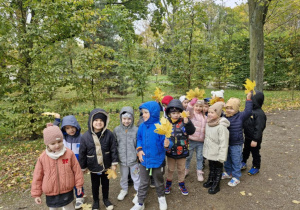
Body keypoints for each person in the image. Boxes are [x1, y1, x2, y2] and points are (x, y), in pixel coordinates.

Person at [31, 126, 84, 210]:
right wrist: (37, 194)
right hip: (50, 191)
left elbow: (77, 171)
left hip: (67, 189)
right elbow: (37, 176)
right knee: (53, 208)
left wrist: (79, 185)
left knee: (68, 207)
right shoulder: (43, 157)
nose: (57, 145)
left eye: (59, 141)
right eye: (53, 143)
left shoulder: (69, 154)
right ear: (47, 144)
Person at [131, 101, 167, 210]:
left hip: (157, 159)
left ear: (154, 112)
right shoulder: (142, 126)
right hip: (144, 159)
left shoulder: (160, 127)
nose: (144, 115)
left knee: (158, 181)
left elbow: (166, 142)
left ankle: (161, 198)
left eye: (146, 112)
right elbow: (139, 139)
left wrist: (167, 144)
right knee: (143, 182)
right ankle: (140, 202)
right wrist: (139, 149)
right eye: (142, 113)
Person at [79, 109, 118, 210]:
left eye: (101, 120)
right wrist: (83, 167)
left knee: (106, 184)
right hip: (93, 165)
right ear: (91, 121)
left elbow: (113, 149)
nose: (98, 122)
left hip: (106, 165)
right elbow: (82, 153)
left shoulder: (109, 134)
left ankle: (106, 199)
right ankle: (96, 201)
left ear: (105, 122)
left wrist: (114, 163)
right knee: (95, 185)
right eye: (96, 120)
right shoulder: (85, 137)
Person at [52, 114, 85, 209]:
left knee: (78, 182)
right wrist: (57, 119)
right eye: (67, 128)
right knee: (66, 182)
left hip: (77, 165)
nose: (71, 130)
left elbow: (85, 152)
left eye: (72, 127)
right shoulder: (62, 138)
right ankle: (67, 198)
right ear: (64, 129)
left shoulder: (81, 138)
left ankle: (80, 197)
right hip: (65, 164)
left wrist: (84, 165)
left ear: (76, 126)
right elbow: (54, 131)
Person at [164, 99, 195, 195]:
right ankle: (168, 184)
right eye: (173, 113)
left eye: (178, 112)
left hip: (182, 151)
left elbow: (191, 131)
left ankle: (181, 184)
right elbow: (161, 135)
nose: (176, 115)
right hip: (170, 152)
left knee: (181, 169)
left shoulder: (184, 121)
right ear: (169, 113)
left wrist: (188, 123)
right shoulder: (166, 123)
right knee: (170, 169)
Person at [222, 92, 252, 187]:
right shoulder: (223, 116)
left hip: (236, 143)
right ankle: (228, 172)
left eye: (231, 108)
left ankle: (236, 176)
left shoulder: (240, 116)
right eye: (227, 108)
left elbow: (248, 111)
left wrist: (248, 99)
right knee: (226, 159)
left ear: (236, 109)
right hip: (226, 142)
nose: (229, 110)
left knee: (236, 159)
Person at [113, 107, 140, 203]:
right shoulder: (116, 130)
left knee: (136, 176)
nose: (126, 121)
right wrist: (115, 158)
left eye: (129, 118)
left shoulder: (136, 130)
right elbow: (114, 144)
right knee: (124, 176)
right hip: (122, 160)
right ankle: (124, 189)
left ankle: (138, 192)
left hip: (134, 161)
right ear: (121, 118)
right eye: (124, 119)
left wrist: (138, 156)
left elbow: (139, 144)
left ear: (132, 118)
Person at [203, 102, 230, 194]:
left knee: (218, 168)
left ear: (218, 114)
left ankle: (216, 184)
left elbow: (224, 143)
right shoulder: (209, 123)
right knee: (211, 166)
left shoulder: (221, 127)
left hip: (218, 153)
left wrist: (222, 156)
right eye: (209, 112)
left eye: (212, 113)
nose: (209, 114)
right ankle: (211, 179)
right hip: (210, 151)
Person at [242, 91, 267, 175]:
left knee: (255, 153)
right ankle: (243, 162)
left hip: (255, 139)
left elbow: (259, 128)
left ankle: (256, 166)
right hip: (248, 136)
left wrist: (255, 139)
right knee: (245, 151)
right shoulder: (249, 111)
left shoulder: (259, 114)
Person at [185, 98, 207, 181]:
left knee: (199, 157)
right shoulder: (192, 115)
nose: (198, 108)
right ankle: (186, 169)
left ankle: (199, 171)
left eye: (200, 106)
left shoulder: (205, 117)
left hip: (201, 141)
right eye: (196, 106)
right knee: (188, 157)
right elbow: (188, 110)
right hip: (191, 139)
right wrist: (191, 104)